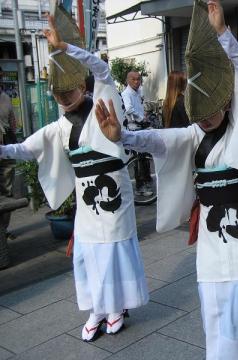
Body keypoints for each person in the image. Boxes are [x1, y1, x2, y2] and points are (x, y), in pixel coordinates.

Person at [95, 0, 238, 358]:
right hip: (212, 240)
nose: (206, 119)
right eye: (200, 113)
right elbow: (161, 139)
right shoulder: (194, 134)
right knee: (215, 310)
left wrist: (222, 32)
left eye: (212, 112)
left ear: (227, 101)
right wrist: (123, 138)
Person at [0, 9, 149, 341]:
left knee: (113, 249)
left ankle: (116, 306)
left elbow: (103, 70)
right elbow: (25, 147)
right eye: (58, 94)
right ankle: (97, 306)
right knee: (88, 253)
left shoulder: (104, 102)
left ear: (82, 85)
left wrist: (65, 48)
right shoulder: (59, 126)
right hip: (87, 199)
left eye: (69, 91)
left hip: (114, 195)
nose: (64, 98)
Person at [121, 71, 153, 196]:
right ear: (128, 80)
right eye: (134, 79)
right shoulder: (126, 94)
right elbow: (128, 108)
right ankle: (140, 186)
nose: (137, 82)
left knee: (143, 157)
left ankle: (146, 181)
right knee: (139, 158)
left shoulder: (137, 92)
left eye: (138, 79)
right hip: (134, 128)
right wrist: (141, 118)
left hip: (140, 128)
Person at [0, 74, 17, 241]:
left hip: (6, 144)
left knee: (8, 190)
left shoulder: (5, 97)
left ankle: (4, 229)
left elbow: (13, 121)